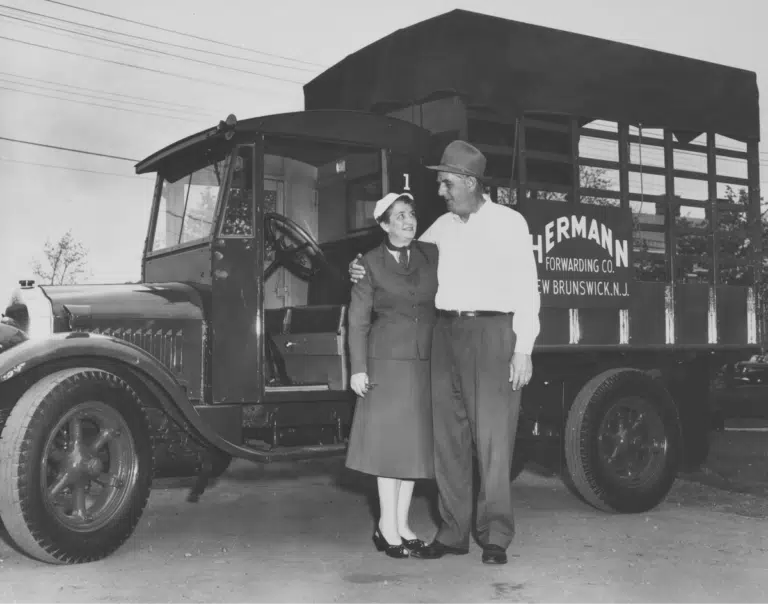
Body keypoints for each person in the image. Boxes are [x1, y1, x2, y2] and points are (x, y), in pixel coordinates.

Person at [349, 140, 540, 565]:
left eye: (446, 183)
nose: (440, 191)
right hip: (444, 334)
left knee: (492, 441)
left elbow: (529, 289)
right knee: (448, 439)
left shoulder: (510, 223)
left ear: (471, 182)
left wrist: (523, 348)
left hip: (494, 333)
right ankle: (454, 532)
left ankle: (495, 536)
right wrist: (359, 266)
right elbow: (397, 252)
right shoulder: (441, 227)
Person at [345, 191, 439, 559]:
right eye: (398, 216)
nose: (408, 221)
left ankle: (401, 524)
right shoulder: (368, 263)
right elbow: (357, 320)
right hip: (386, 365)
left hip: (425, 363)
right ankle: (386, 525)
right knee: (389, 450)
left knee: (413, 449)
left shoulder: (431, 253)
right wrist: (358, 369)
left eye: (411, 213)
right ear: (384, 225)